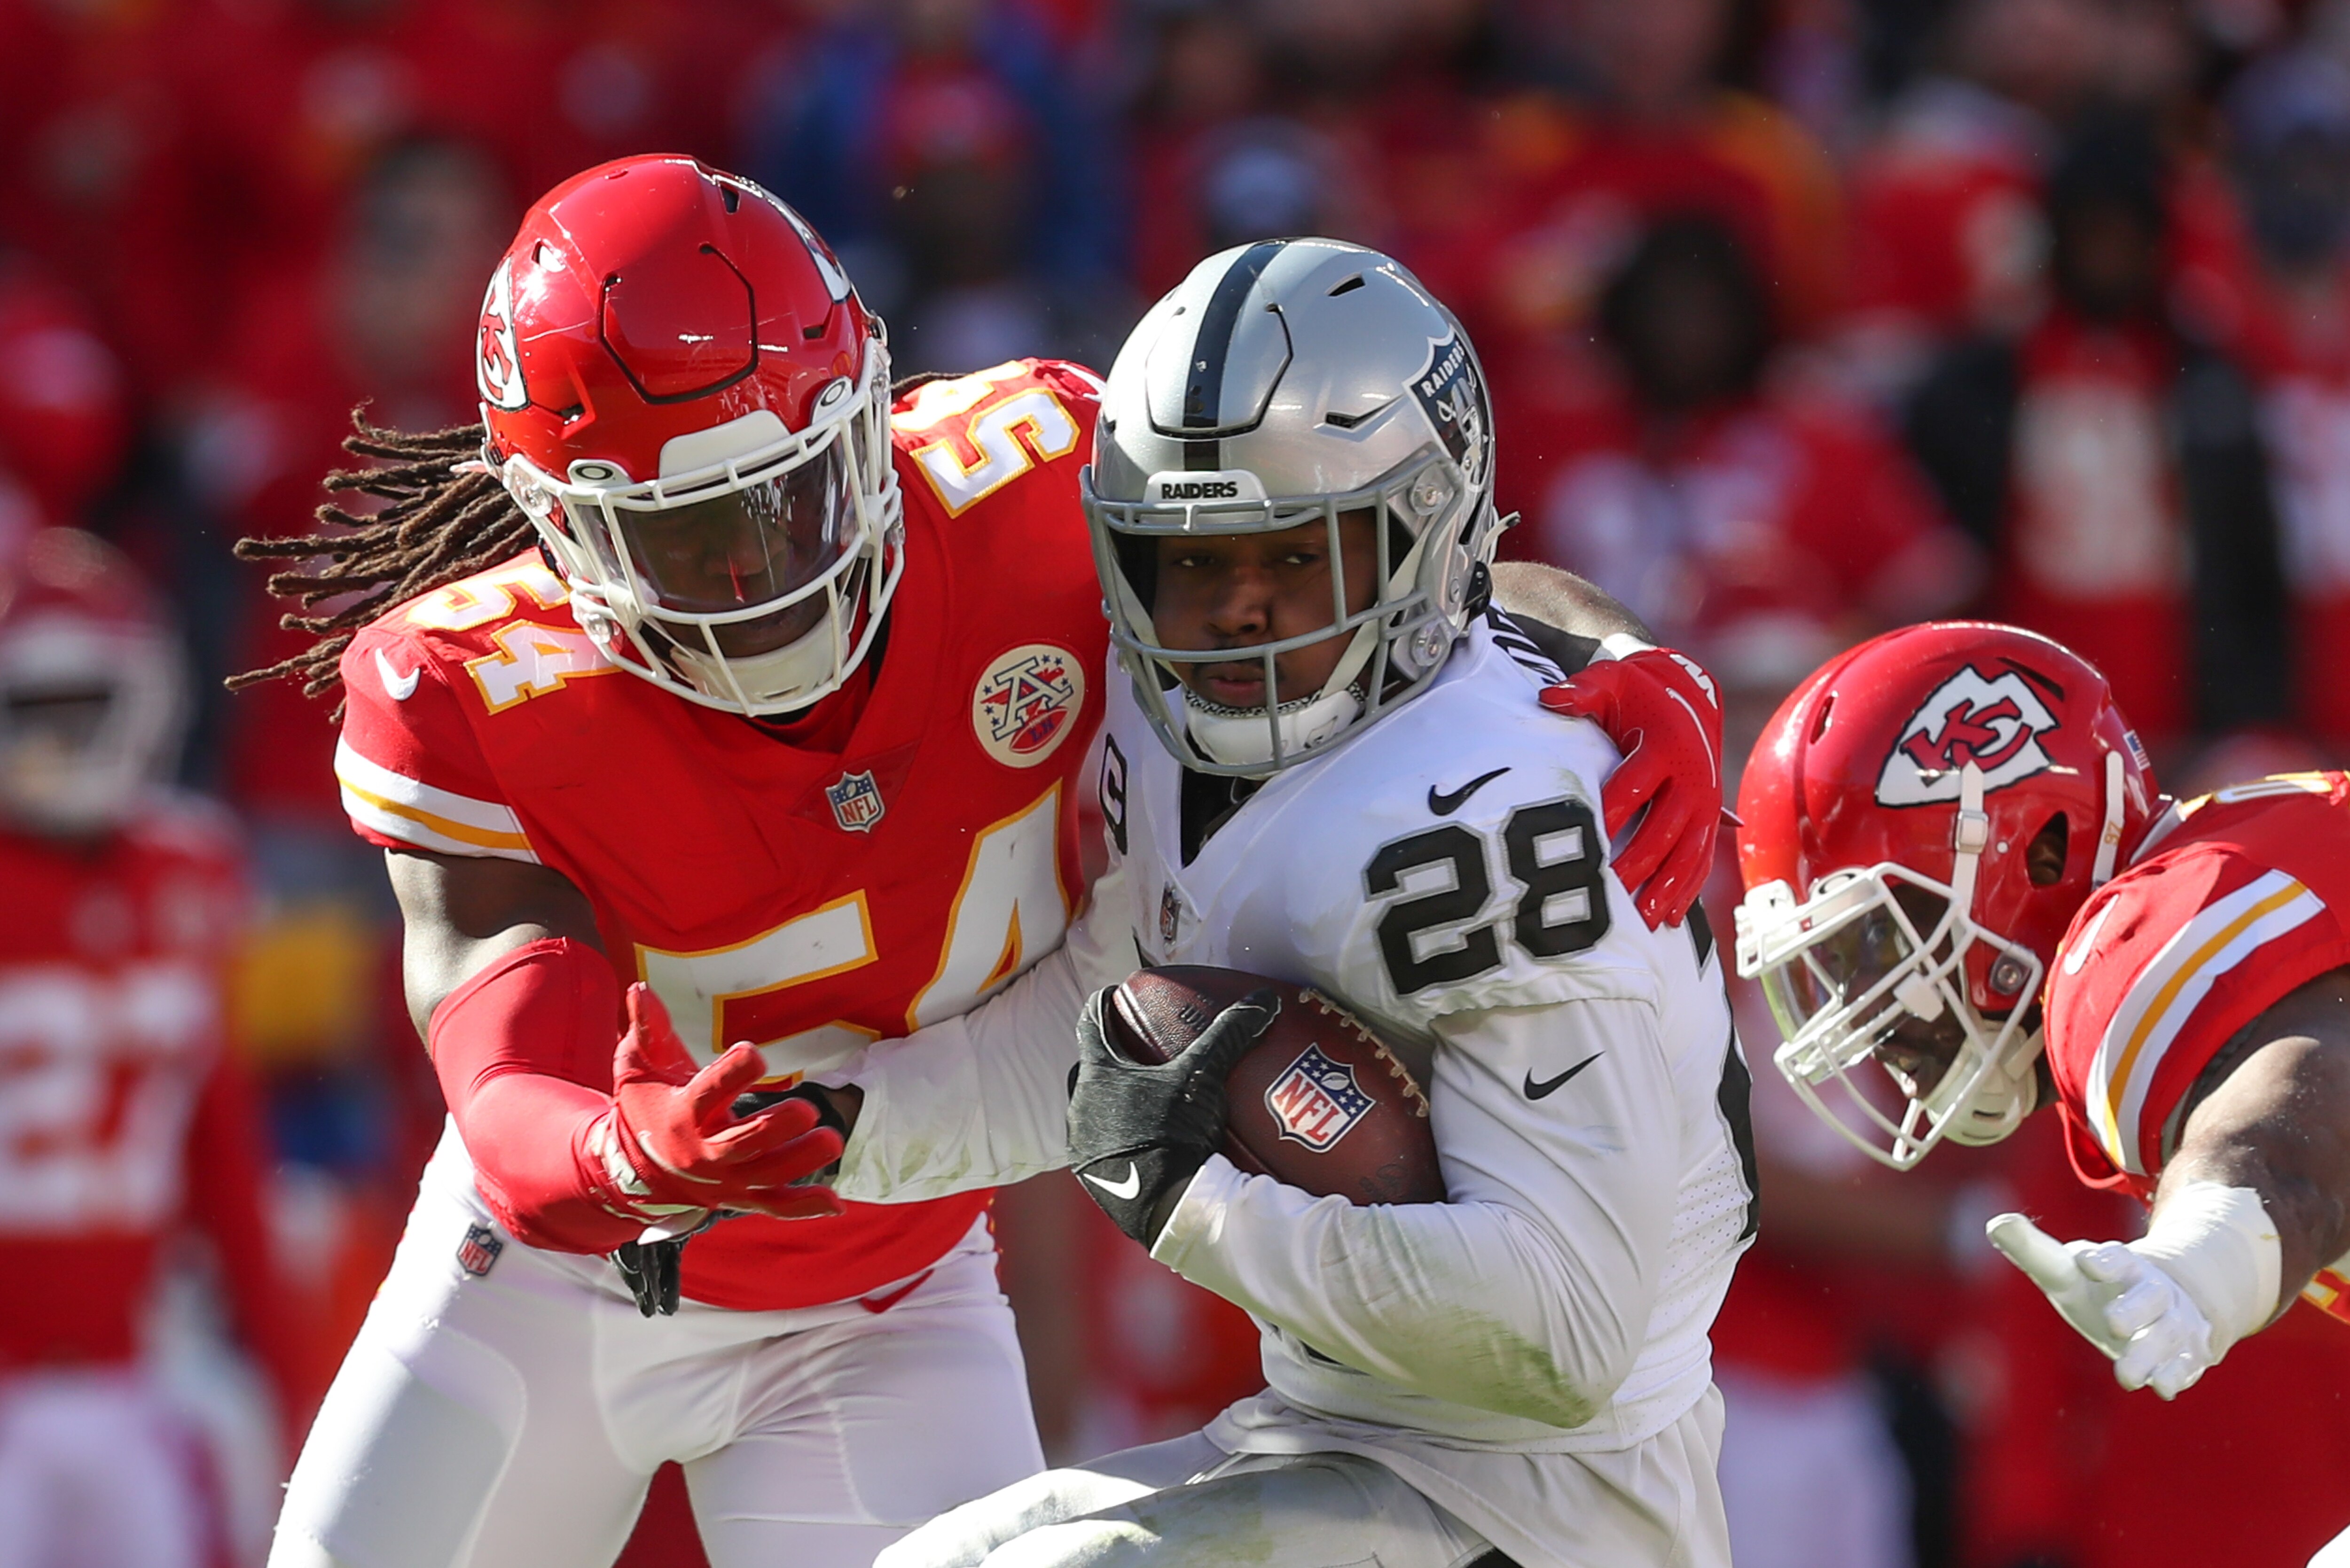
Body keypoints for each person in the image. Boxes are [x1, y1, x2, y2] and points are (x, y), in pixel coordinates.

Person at [233, 157, 1715, 1568]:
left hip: (884, 1289)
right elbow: (503, 1075)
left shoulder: (1039, 479)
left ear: (871, 407)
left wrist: (1608, 652)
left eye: (800, 494)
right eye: (695, 543)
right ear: (566, 531)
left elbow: (1371, 552)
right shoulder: (480, 688)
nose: (771, 579)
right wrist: (631, 1156)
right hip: (559, 1291)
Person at [830, 238, 1755, 1568]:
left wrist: (1204, 1207)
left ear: (1423, 532)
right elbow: (1116, 1046)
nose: (1240, 611)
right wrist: (837, 1135)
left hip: (1555, 1499)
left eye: (1297, 556)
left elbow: (1567, 1335)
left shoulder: (1498, 809)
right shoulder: (1166, 733)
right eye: (1195, 563)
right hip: (1338, 1424)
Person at [1729, 622, 2350, 1550]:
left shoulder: (2125, 959)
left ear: (2038, 851)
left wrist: (2209, 1248)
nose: (1860, 1007)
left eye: (1873, 944)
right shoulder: (2248, 840)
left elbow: (2316, 1092)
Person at [0, 525, 306, 1567]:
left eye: (89, 705)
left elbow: (225, 1150)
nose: (68, 741)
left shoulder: (188, 868)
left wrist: (284, 1371)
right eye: (39, 712)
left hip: (139, 1367)